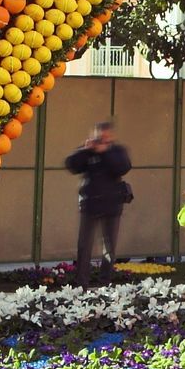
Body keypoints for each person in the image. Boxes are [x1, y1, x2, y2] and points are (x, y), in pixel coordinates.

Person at [64, 119, 133, 285]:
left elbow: (123, 167)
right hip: (90, 204)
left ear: (111, 137)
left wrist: (106, 152)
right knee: (84, 246)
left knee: (108, 248)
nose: (101, 141)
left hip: (112, 205)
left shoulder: (117, 151)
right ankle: (81, 282)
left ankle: (105, 281)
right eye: (99, 137)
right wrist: (84, 151)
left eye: (105, 138)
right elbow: (72, 166)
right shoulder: (88, 150)